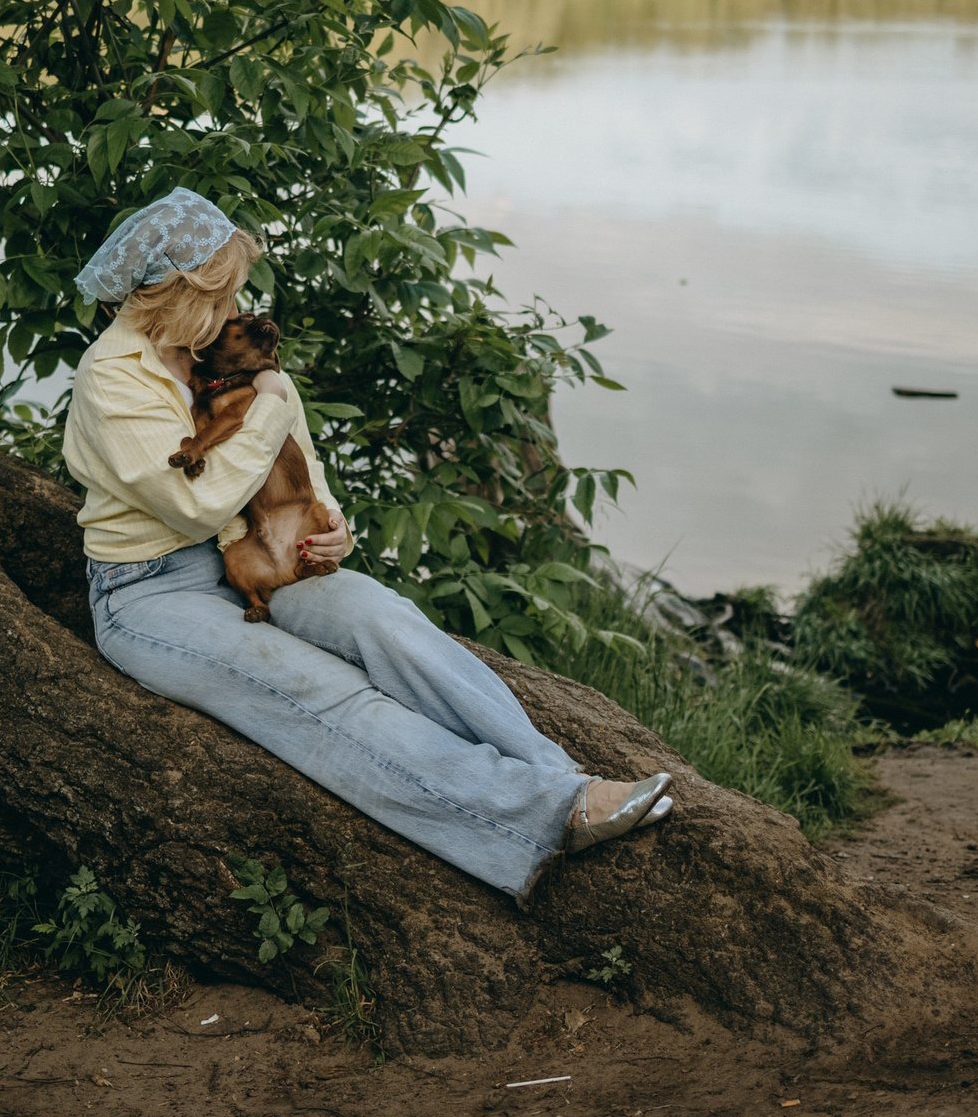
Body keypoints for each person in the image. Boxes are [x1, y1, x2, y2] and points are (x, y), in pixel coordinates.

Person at [62, 188, 671, 902]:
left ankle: (561, 773)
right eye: (222, 294)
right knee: (317, 691)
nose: (236, 308)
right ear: (180, 291)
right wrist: (270, 401)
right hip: (150, 590)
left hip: (262, 550)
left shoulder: (210, 348)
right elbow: (197, 502)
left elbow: (297, 454)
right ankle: (547, 813)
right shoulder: (112, 376)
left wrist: (331, 524)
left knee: (386, 621)